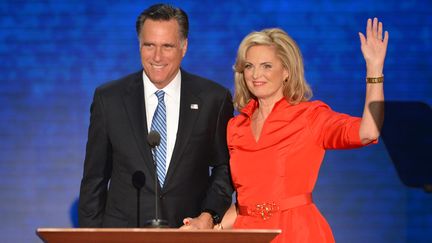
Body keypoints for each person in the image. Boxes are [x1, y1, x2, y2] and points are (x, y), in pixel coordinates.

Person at [220, 18, 388, 242]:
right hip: (248, 234)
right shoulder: (236, 127)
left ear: (286, 71)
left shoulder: (310, 117)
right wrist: (212, 228)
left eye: (267, 65)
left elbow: (369, 132)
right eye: (249, 66)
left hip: (297, 233)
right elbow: (245, 204)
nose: (255, 74)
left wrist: (374, 69)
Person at [78, 3, 233, 229]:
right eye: (149, 45)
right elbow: (94, 180)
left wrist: (208, 216)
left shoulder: (213, 99)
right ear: (139, 45)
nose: (157, 57)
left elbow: (224, 167)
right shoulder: (109, 99)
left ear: (184, 46)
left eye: (167, 46)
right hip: (123, 234)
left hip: (186, 233)